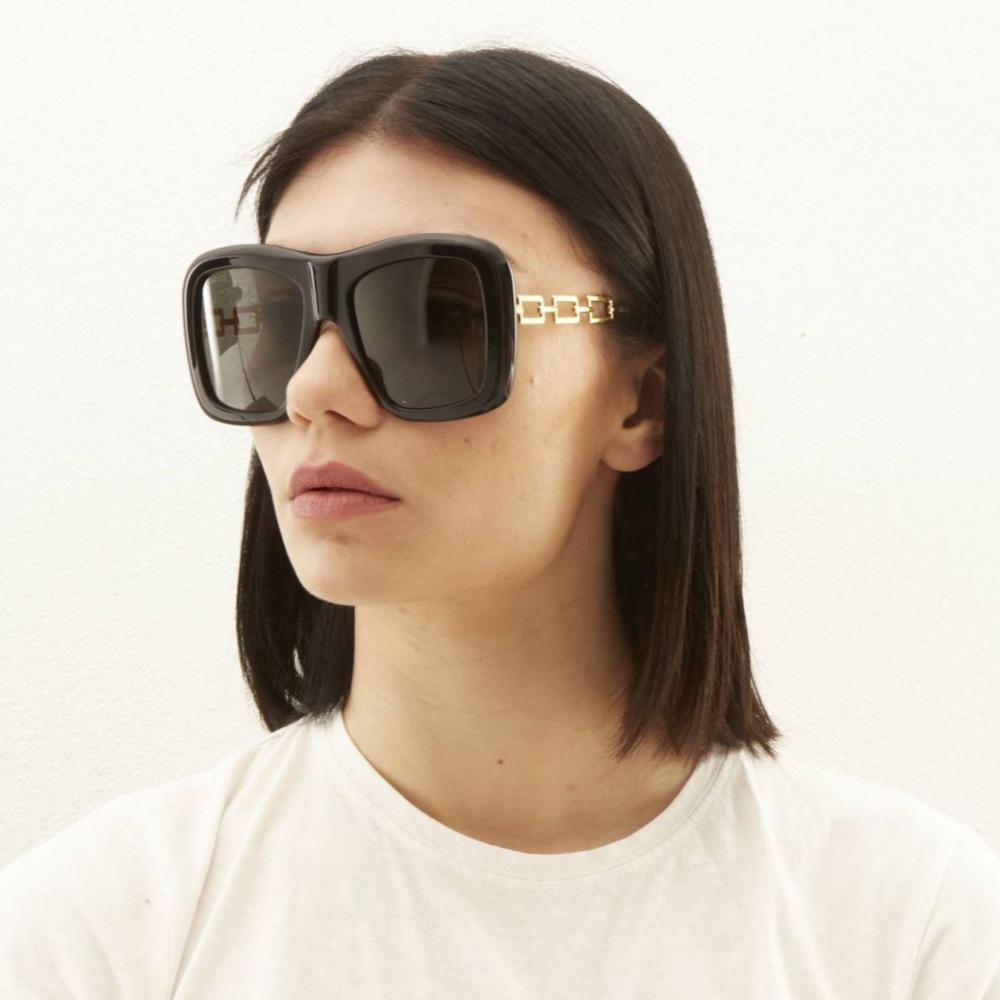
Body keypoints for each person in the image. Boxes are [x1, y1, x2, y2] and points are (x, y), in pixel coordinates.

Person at [2, 45, 998, 999]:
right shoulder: (94, 937)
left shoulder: (915, 934)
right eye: (269, 318)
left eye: (436, 315)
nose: (313, 390)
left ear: (641, 402)